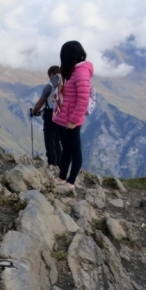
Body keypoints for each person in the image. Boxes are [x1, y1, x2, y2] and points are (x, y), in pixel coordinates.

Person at [53, 41, 93, 189]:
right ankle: (62, 176)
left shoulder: (81, 73)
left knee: (75, 150)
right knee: (66, 149)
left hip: (71, 120)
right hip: (62, 117)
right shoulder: (71, 71)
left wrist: (74, 120)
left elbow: (83, 99)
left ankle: (71, 181)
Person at [31, 66, 63, 166]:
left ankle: (52, 164)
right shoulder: (63, 85)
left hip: (50, 115)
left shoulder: (49, 86)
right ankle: (60, 165)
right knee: (57, 141)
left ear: (52, 74)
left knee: (50, 140)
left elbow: (40, 102)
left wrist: (34, 111)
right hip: (61, 114)